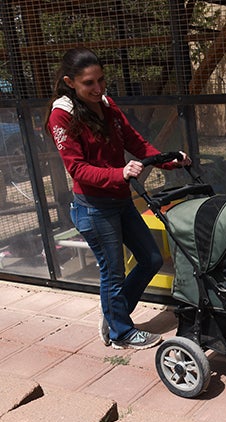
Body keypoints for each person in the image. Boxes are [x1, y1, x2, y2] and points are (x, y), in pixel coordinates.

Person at [45, 48, 191, 349]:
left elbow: (134, 141)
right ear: (70, 82)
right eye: (89, 83)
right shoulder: (61, 116)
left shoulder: (106, 104)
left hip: (119, 200)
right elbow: (77, 169)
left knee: (150, 258)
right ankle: (120, 332)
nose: (98, 88)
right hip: (94, 207)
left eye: (101, 80)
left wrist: (167, 160)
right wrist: (119, 173)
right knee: (112, 270)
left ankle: (114, 313)